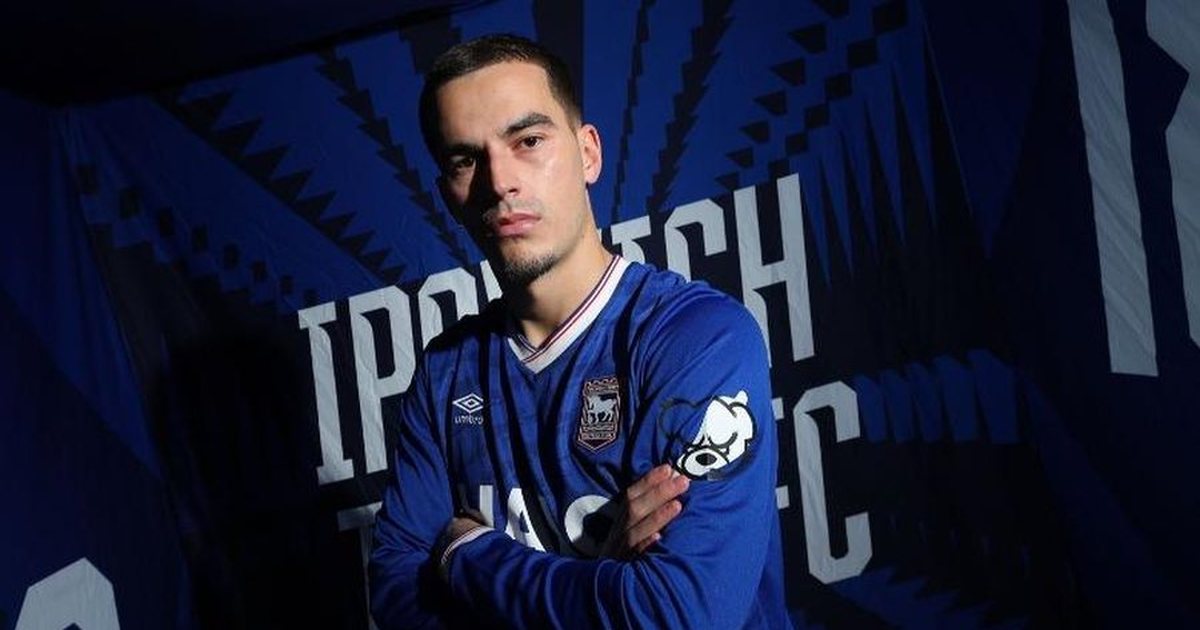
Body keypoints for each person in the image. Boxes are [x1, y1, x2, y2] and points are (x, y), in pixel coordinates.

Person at [369, 33, 790, 628]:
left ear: (588, 153)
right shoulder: (446, 374)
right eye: (466, 160)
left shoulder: (698, 339)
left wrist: (466, 553)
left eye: (528, 141)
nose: (500, 182)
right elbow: (396, 598)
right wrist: (602, 581)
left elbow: (674, 615)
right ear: (449, 197)